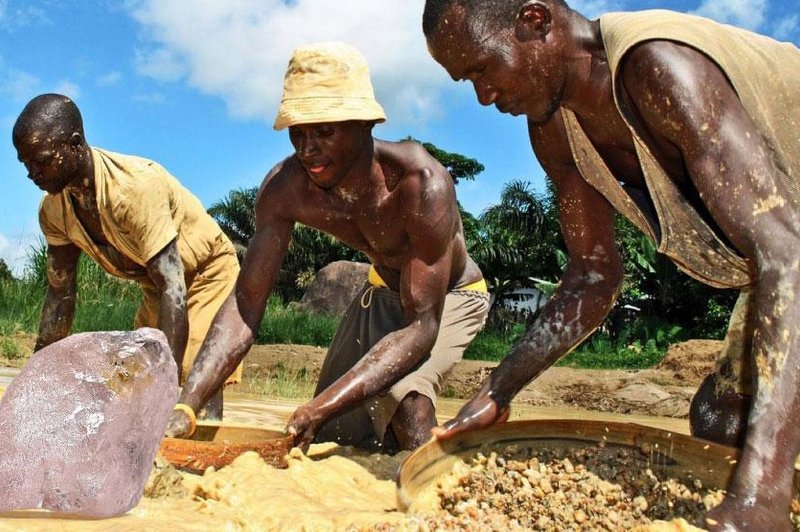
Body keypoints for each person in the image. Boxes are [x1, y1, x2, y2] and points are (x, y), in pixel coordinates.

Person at [423, 1, 800, 529]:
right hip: (784, 257)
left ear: (535, 21)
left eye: (484, 68)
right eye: (469, 82)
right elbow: (593, 275)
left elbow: (788, 256)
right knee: (719, 421)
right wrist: (498, 389)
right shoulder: (554, 128)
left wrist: (761, 498)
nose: (483, 96)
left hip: (790, 254)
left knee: (758, 475)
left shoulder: (661, 69)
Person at [164, 42, 488, 452]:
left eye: (324, 131)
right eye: (298, 133)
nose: (307, 148)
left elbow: (422, 326)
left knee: (405, 402)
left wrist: (319, 405)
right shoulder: (285, 190)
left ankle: (434, 497)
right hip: (380, 294)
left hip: (450, 298)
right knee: (329, 437)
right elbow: (246, 306)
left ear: (365, 124)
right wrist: (187, 404)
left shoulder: (421, 184)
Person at [12, 94, 243, 414]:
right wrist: (35, 378)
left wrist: (167, 389)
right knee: (131, 377)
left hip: (206, 272)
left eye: (42, 160)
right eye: (25, 163)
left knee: (196, 373)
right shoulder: (53, 211)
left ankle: (200, 454)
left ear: (75, 144)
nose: (32, 173)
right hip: (154, 285)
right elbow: (59, 294)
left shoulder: (135, 189)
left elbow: (174, 289)